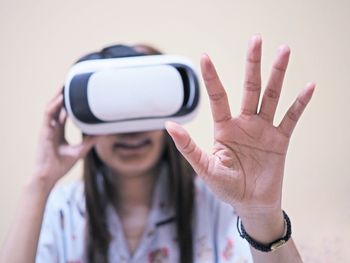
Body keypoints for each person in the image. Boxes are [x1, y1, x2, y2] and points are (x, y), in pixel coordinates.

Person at [0, 35, 315, 263]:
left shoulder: (217, 203)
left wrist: (261, 216)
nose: (132, 128)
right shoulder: (64, 210)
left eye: (145, 103)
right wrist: (40, 182)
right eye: (115, 106)